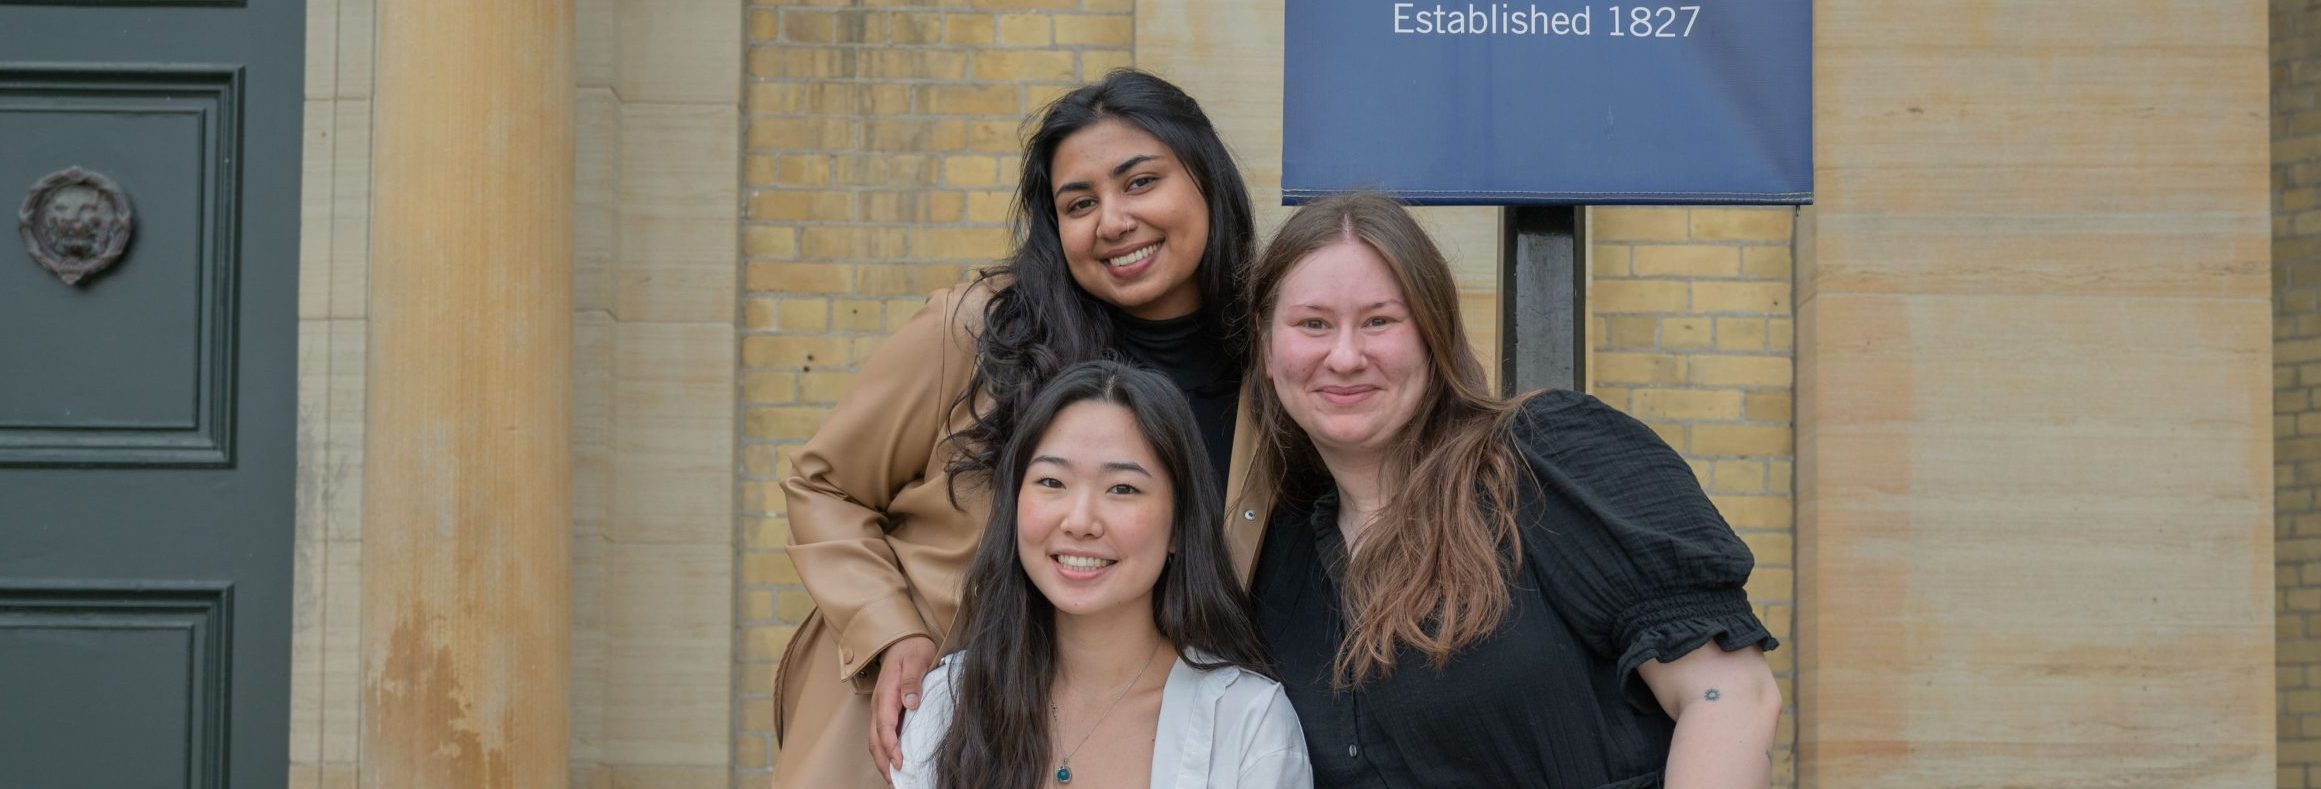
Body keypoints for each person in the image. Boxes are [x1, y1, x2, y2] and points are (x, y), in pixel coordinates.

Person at [773, 69, 1274, 788]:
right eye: (1079, 202)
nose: (1112, 220)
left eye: (1139, 183)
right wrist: (891, 633)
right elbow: (822, 483)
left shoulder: (1276, 368)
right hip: (912, 717)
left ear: (1207, 181)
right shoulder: (979, 331)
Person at [1242, 191, 1784, 788]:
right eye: (1313, 324)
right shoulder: (1279, 561)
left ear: (1432, 334)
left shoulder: (1542, 460)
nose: (1345, 356)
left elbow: (1731, 695)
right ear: (1267, 350)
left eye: (1379, 321)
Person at [892, 361, 1309, 789]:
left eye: (1122, 488)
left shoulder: (1247, 722)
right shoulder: (948, 702)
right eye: (1052, 481)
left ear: (1180, 524)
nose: (1080, 521)